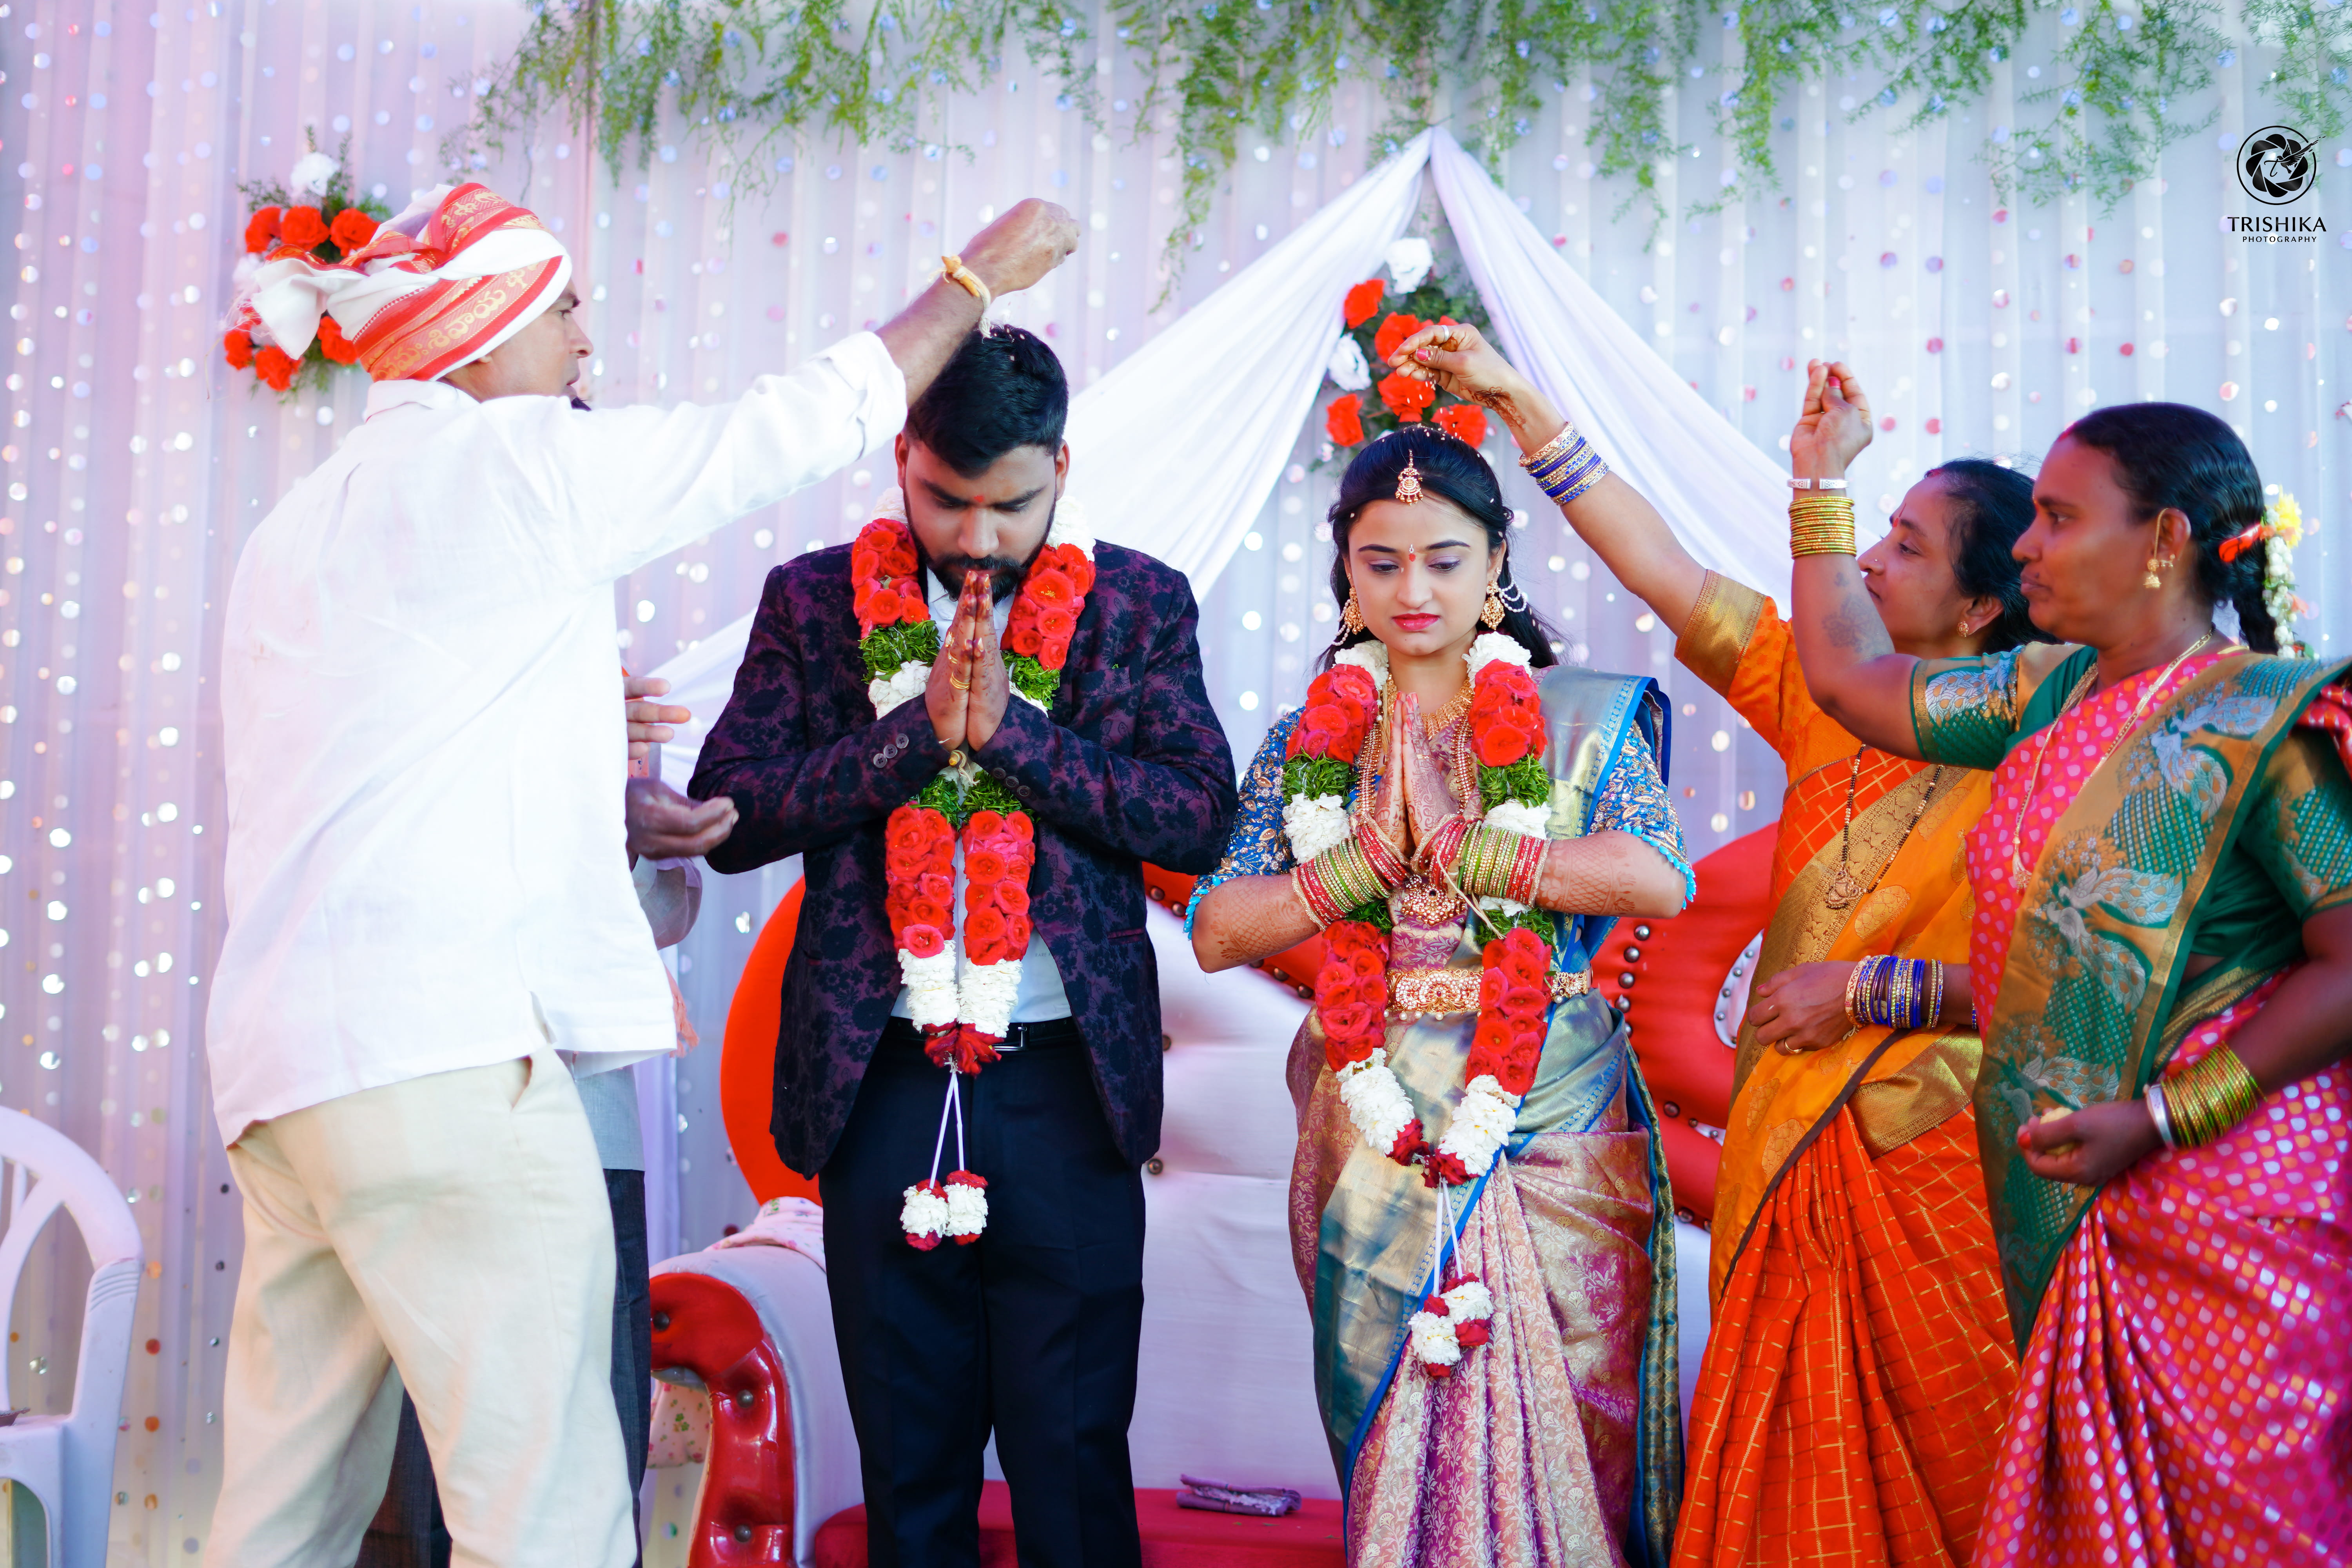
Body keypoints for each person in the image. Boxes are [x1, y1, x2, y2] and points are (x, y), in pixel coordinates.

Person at [208, 180, 1078, 1568]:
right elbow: (789, 425)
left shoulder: (296, 526)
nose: (583, 342)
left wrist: (596, 800)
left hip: (285, 1077)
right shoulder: (513, 463)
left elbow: (368, 773)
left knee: (277, 1522)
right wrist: (974, 281)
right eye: (560, 310)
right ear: (478, 334)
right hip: (446, 1064)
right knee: (547, 1522)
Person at [1383, 333, 2026, 1565]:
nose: (1874, 560)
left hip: (1937, 1168)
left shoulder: (2052, 750)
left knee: (1962, 1480)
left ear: (1983, 605)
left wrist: (1876, 990)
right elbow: (1661, 569)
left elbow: (2080, 981)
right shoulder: (1827, 699)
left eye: (1908, 547)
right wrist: (1521, 403)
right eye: (1876, 537)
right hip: (1794, 1155)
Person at [687, 324, 1235, 1568]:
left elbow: (1199, 819)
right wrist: (910, 738)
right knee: (911, 1469)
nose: (979, 538)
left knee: (1072, 1464)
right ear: (901, 458)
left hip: (1067, 1089)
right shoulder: (814, 601)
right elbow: (730, 813)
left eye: (1013, 504)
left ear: (1062, 468)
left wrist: (1013, 738)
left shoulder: (1138, 601)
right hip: (881, 1082)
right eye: (947, 500)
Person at [1785, 388, 2352, 1564]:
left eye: (2058, 517)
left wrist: (2166, 1116)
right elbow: (1845, 679)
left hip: (2231, 1211)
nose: (2029, 546)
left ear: (2165, 540)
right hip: (2073, 1196)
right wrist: (1820, 487)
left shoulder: (2267, 717)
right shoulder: (2045, 693)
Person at [1187, 423, 1692, 1564]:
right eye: (1382, 562)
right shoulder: (1307, 740)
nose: (1413, 589)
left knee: (1578, 1411)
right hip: (1375, 1127)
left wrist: (1493, 855)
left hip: (1550, 1102)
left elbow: (1659, 876)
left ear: (1497, 561)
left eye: (1445, 559)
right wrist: (1351, 870)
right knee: (1392, 1405)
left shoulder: (1574, 718)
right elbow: (1218, 928)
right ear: (1347, 573)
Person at [355, 674, 729, 1568]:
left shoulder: (591, 682)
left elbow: (663, 911)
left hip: (585, 1124)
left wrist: (618, 818)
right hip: (427, 1109)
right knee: (418, 1465)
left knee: (592, 1448)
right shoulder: (399, 688)